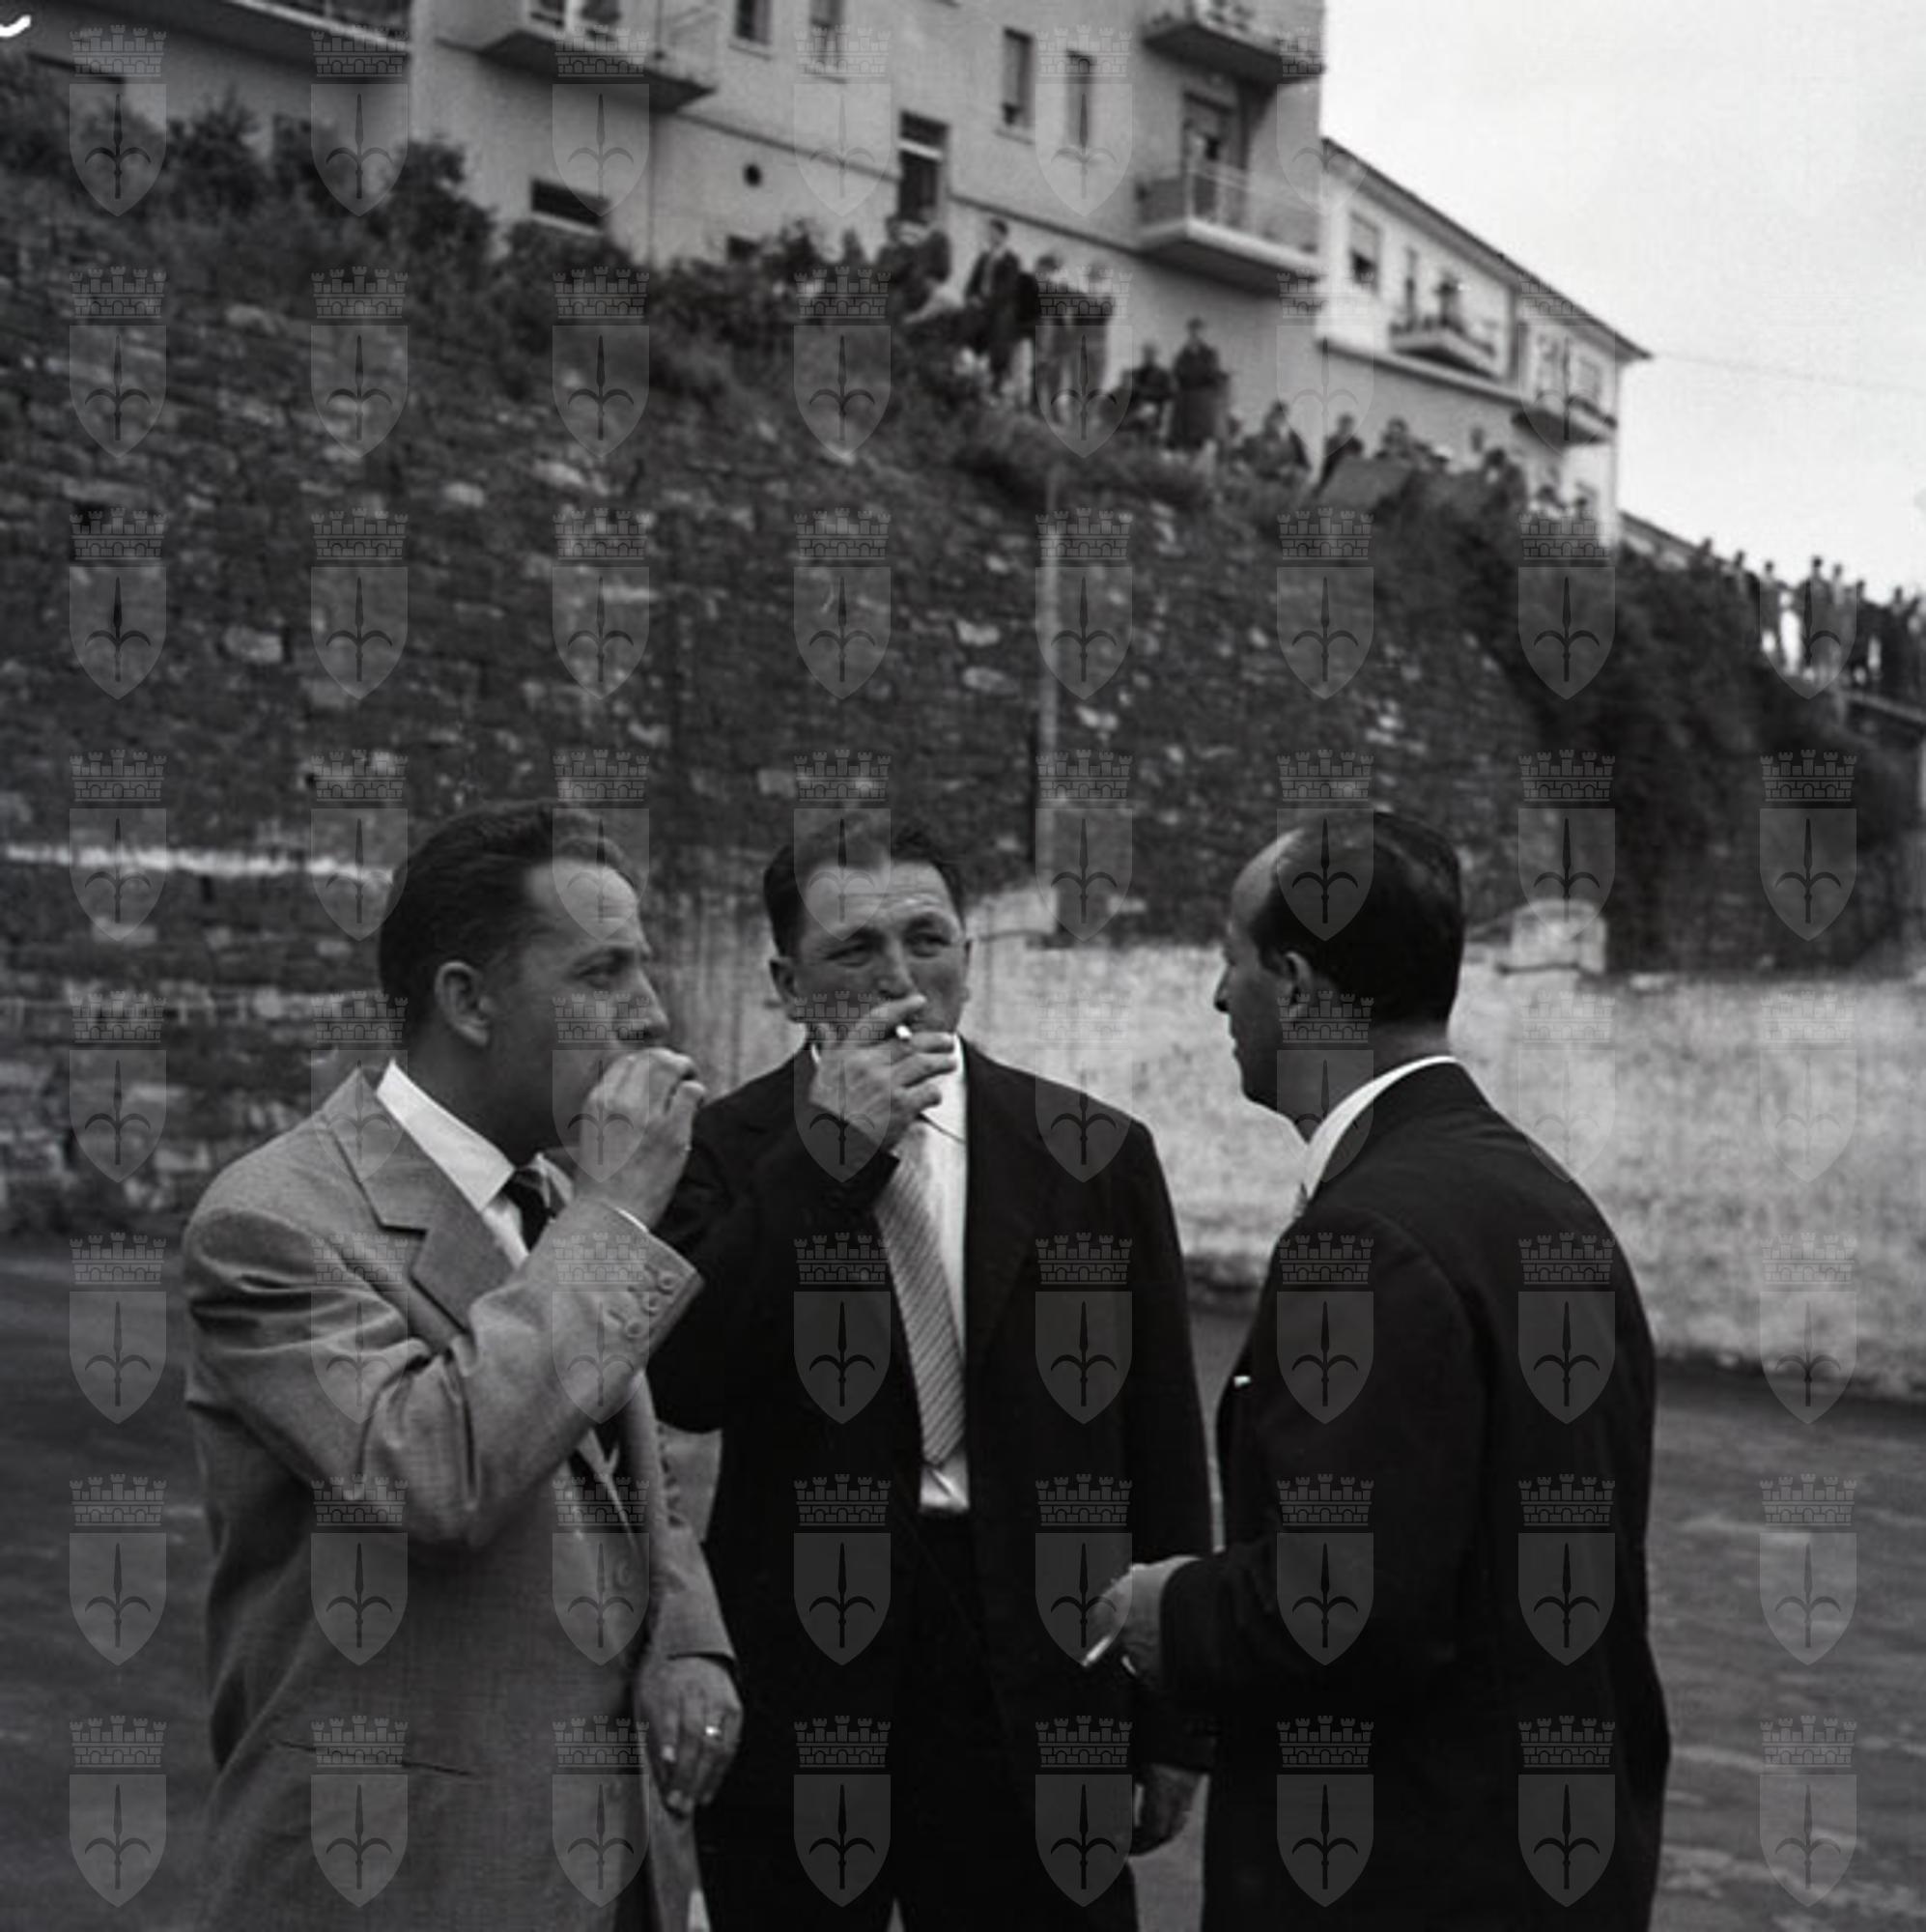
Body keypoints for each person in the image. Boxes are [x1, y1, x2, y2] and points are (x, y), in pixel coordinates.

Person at [1096, 811, 1671, 1928]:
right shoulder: (1542, 1200)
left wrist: (1169, 1609)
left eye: (1231, 958)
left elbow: (1342, 1607)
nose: (1216, 996)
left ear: (1297, 985)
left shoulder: (1362, 1237)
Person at [182, 804, 739, 1928]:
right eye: (602, 971)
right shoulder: (273, 1220)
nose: (650, 1010)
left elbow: (620, 1464)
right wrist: (615, 1216)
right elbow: (431, 1474)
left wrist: (689, 1639)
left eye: (643, 965)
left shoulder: (554, 1196)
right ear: (468, 1000)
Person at [650, 817, 1212, 1930]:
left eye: (927, 938)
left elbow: (1158, 1438)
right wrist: (825, 1155)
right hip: (805, 1670)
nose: (899, 976)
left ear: (968, 953)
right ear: (786, 982)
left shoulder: (1092, 1151)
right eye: (854, 948)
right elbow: (686, 1379)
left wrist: (1174, 1714)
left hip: (1041, 1667)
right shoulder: (722, 1147)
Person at [962, 216, 1023, 398]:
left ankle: (997, 379)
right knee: (964, 321)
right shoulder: (983, 258)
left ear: (1003, 236)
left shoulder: (1011, 260)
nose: (990, 236)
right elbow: (971, 283)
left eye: (994, 233)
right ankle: (966, 367)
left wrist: (987, 303)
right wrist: (971, 297)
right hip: (980, 304)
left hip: (999, 307)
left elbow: (1008, 289)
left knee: (1000, 331)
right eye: (989, 233)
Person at [1170, 315, 1226, 460]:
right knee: (1183, 438)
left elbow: (1211, 375)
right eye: (1192, 330)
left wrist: (1194, 371)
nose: (1195, 334)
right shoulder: (1183, 353)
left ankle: (1197, 462)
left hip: (1201, 403)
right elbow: (1177, 373)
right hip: (1185, 401)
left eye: (1198, 330)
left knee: (1200, 440)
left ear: (1203, 333)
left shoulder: (1210, 353)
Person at [1119, 341, 1174, 440]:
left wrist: (1141, 390)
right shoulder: (1135, 373)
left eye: (1150, 353)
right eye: (1146, 353)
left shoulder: (1163, 375)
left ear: (1155, 355)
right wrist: (1126, 387)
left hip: (1152, 409)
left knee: (1144, 413)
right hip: (1134, 407)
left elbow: (1168, 394)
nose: (1148, 356)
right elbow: (1126, 394)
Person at [1317, 411, 1365, 489]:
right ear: (1339, 425)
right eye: (1343, 424)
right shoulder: (1331, 441)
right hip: (1331, 474)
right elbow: (1329, 460)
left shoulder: (1357, 444)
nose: (1345, 428)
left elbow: (1358, 461)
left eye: (1348, 425)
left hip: (1349, 475)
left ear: (1352, 427)